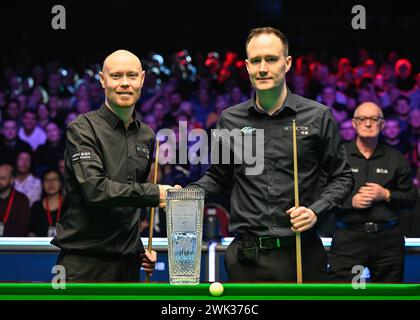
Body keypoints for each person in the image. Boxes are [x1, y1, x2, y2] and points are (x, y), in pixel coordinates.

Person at [190, 27, 354, 282]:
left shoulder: (318, 116)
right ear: (246, 66)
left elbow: (342, 177)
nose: (263, 68)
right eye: (256, 61)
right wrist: (186, 194)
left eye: (271, 59)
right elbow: (218, 178)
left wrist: (315, 211)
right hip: (247, 260)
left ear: (287, 63)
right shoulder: (229, 120)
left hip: (302, 253)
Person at [51, 50, 178, 282]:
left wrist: (139, 249)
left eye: (131, 76)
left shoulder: (147, 136)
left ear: (142, 79)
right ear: (102, 79)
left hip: (127, 266)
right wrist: (154, 192)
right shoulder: (82, 129)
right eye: (116, 76)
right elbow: (95, 190)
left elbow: (128, 206)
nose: (125, 84)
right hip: (83, 264)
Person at [328, 102, 417, 282]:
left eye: (374, 119)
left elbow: (411, 198)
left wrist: (386, 195)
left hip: (388, 242)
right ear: (354, 124)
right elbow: (322, 194)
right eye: (362, 119)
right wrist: (351, 202)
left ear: (382, 124)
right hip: (349, 240)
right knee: (348, 294)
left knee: (388, 295)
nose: (368, 123)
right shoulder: (339, 156)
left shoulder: (396, 158)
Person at [28, 169, 63, 237]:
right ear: (42, 184)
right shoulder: (36, 206)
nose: (51, 183)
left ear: (61, 183)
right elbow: (30, 231)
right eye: (47, 180)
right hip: (40, 246)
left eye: (54, 179)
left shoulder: (69, 205)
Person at [0, 164, 30, 236]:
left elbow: (21, 230)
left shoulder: (22, 200)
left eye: (2, 178)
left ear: (11, 180)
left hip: (11, 244)